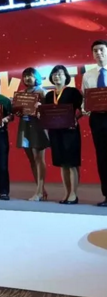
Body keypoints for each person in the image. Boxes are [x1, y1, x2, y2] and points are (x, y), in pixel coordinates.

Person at [45, 65, 83, 204]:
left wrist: (75, 118)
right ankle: (66, 192)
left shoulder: (73, 92)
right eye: (54, 74)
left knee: (71, 163)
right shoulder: (49, 95)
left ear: (66, 76)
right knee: (62, 164)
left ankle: (74, 194)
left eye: (60, 74)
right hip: (55, 132)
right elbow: (46, 113)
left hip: (70, 132)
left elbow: (82, 109)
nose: (57, 76)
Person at [16, 68, 50, 201]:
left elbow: (48, 111)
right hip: (24, 126)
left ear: (36, 77)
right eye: (25, 76)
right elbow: (17, 112)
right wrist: (15, 108)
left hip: (38, 126)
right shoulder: (21, 93)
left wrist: (40, 108)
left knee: (39, 159)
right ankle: (41, 190)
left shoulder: (42, 92)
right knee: (32, 160)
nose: (27, 78)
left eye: (30, 76)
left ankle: (39, 191)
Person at [82, 40, 107, 207]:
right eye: (95, 51)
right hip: (97, 119)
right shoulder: (88, 75)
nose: (98, 53)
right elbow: (85, 98)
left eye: (102, 50)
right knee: (103, 157)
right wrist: (84, 108)